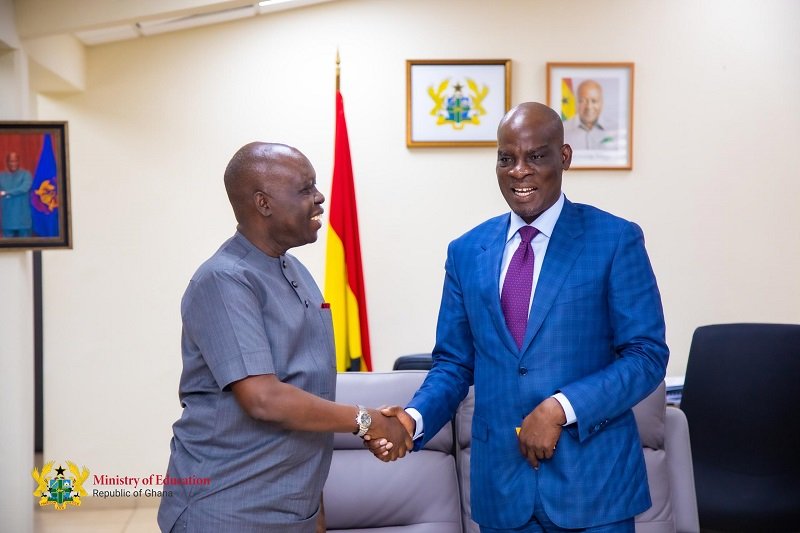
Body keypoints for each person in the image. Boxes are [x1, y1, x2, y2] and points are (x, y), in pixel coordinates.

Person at [370, 103, 668, 532]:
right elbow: (454, 364)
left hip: (594, 489)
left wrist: (559, 409)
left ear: (564, 158)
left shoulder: (616, 239)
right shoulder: (467, 251)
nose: (518, 171)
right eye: (506, 158)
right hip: (502, 492)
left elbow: (646, 356)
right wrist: (411, 421)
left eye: (536, 156)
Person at [157, 142, 411, 533]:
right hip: (228, 508)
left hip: (294, 509)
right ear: (263, 204)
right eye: (305, 188)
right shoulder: (224, 280)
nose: (320, 197)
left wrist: (315, 509)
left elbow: (309, 390)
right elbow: (264, 398)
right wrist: (367, 421)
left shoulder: (295, 271)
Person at [563, 80, 615, 150]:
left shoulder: (615, 129)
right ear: (576, 103)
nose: (589, 107)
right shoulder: (563, 129)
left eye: (594, 101)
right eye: (582, 101)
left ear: (602, 103)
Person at [0, 152, 33, 237]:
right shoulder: (1, 176)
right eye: (10, 161)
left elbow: (24, 188)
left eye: (15, 161)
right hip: (7, 219)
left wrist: (6, 192)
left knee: (25, 248)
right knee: (9, 249)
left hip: (23, 219)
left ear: (18, 161)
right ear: (7, 162)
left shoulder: (26, 174)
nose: (13, 163)